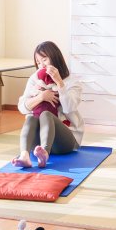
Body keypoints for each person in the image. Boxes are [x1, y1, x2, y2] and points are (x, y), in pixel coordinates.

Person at [16, 41, 83, 169]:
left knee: (46, 114)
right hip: (37, 143)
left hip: (65, 142)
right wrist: (41, 97)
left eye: (45, 60)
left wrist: (59, 83)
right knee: (31, 116)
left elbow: (69, 108)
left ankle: (45, 153)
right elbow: (22, 108)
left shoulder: (72, 82)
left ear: (55, 58)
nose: (41, 65)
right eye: (38, 62)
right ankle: (24, 155)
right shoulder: (34, 79)